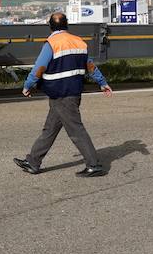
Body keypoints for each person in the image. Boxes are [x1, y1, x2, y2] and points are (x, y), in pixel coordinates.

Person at [14, 12, 113, 177]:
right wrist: (102, 82)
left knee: (76, 130)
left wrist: (28, 85)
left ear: (50, 26)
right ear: (67, 25)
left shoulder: (51, 43)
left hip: (61, 95)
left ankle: (93, 165)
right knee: (50, 129)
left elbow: (39, 68)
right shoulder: (79, 42)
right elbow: (90, 66)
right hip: (71, 93)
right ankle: (33, 162)